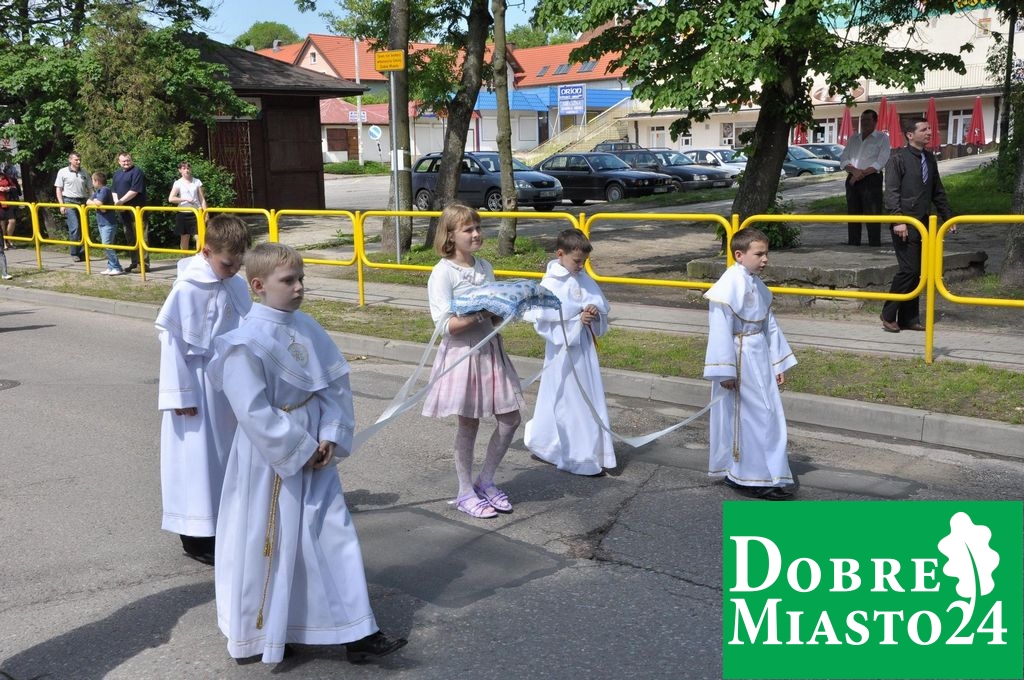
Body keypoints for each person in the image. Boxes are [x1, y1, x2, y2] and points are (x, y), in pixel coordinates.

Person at [207, 242, 407, 665]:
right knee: (275, 542)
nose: (299, 287)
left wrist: (330, 432)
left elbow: (332, 384)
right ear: (258, 286)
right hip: (272, 461)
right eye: (288, 280)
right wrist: (298, 448)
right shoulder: (245, 343)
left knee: (333, 533)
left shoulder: (308, 326)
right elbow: (252, 410)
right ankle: (272, 631)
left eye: (301, 279)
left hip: (317, 449)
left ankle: (358, 631)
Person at [155, 215, 252, 565]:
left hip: (226, 385)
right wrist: (179, 394)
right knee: (195, 459)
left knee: (225, 456)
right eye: (228, 263)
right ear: (206, 251)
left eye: (239, 263)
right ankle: (195, 538)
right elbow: (171, 342)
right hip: (195, 386)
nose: (234, 270)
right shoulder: (187, 288)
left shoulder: (235, 283)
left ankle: (225, 524)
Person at [423, 203, 524, 519]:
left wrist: (506, 309)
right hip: (463, 354)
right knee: (469, 423)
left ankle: (486, 480)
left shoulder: (485, 267)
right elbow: (445, 325)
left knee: (510, 418)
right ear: (450, 235)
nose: (476, 234)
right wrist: (480, 313)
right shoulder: (443, 273)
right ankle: (465, 491)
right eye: (468, 229)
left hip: (490, 349)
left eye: (478, 227)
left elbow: (494, 315)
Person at [703, 227, 797, 501]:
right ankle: (751, 477)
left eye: (766, 254)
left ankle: (763, 473)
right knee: (751, 418)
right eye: (759, 254)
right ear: (739, 255)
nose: (765, 259)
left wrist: (777, 364)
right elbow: (720, 330)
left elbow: (770, 326)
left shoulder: (758, 285)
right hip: (740, 358)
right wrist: (726, 371)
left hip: (759, 359)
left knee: (768, 414)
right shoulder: (727, 287)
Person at [523, 228, 615, 476]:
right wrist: (576, 321)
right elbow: (543, 323)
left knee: (585, 398)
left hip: (585, 352)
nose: (581, 266)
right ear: (560, 254)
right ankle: (578, 458)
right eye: (576, 261)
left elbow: (599, 310)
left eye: (584, 261)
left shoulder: (584, 278)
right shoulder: (550, 284)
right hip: (562, 354)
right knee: (569, 401)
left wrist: (593, 314)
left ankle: (555, 446)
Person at [880, 118, 954, 333]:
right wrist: (898, 220)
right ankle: (888, 314)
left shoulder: (929, 158)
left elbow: (937, 191)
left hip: (924, 223)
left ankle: (909, 318)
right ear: (910, 135)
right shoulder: (898, 159)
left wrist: (948, 217)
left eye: (930, 129)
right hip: (906, 223)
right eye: (924, 129)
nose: (929, 132)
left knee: (919, 272)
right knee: (909, 270)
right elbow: (891, 192)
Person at [839, 110, 891, 247]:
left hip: (871, 179)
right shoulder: (853, 138)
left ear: (875, 121)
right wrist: (854, 171)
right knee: (853, 212)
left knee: (872, 213)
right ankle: (853, 243)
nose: (864, 123)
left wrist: (861, 174)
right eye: (862, 120)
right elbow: (844, 159)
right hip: (852, 178)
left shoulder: (882, 138)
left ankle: (874, 244)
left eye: (868, 120)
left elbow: (881, 161)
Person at [111, 152, 148, 273]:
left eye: (128, 160)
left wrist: (121, 201)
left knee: (141, 237)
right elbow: (114, 190)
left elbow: (135, 190)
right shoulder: (117, 174)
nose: (126, 163)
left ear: (131, 160)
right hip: (124, 212)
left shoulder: (137, 172)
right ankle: (134, 263)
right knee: (130, 238)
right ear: (119, 162)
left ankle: (144, 264)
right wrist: (117, 202)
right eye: (123, 161)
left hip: (137, 211)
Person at [54, 152, 91, 261]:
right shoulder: (63, 172)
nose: (78, 162)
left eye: (79, 160)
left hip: (83, 202)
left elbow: (90, 189)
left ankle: (83, 253)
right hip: (69, 201)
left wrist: (91, 200)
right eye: (76, 160)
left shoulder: (84, 172)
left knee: (84, 228)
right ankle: (74, 253)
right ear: (70, 160)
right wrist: (61, 205)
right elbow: (58, 189)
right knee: (75, 227)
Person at [86, 172, 124, 276]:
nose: (92, 183)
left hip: (108, 222)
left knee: (107, 244)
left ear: (97, 181)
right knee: (106, 245)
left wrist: (97, 204)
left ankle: (117, 267)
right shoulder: (98, 191)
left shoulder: (104, 190)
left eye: (92, 180)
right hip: (101, 222)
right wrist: (97, 204)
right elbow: (88, 202)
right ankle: (110, 266)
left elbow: (99, 203)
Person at [167, 160, 207, 251]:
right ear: (180, 170)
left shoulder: (197, 182)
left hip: (196, 213)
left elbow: (202, 199)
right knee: (184, 238)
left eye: (188, 168)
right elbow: (171, 198)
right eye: (184, 168)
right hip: (183, 213)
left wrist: (206, 213)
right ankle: (184, 257)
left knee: (199, 237)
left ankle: (199, 256)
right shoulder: (178, 183)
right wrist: (185, 199)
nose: (186, 170)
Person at [0, 165, 18, 250]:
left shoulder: (6, 177)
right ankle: (4, 242)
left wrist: (8, 188)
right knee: (2, 223)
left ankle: (9, 239)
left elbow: (14, 187)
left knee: (12, 221)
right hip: (0, 203)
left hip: (8, 202)